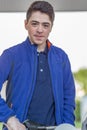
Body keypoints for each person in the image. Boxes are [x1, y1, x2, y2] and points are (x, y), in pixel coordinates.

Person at [0, 1, 76, 130]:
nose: (40, 30)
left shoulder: (61, 57)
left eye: (45, 25)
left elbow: (68, 98)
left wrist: (67, 126)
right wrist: (9, 118)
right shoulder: (10, 55)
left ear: (51, 27)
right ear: (26, 24)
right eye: (34, 24)